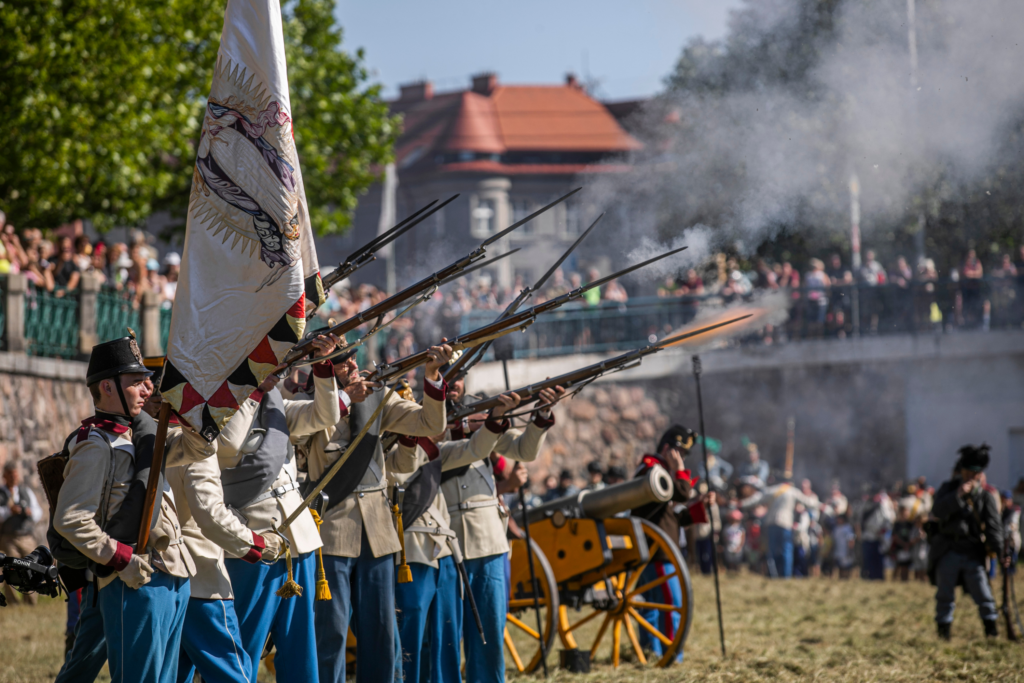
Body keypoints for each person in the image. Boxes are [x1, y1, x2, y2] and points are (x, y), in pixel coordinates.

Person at [306, 342, 452, 683]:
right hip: (332, 530)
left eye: (351, 358)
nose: (352, 365)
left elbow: (428, 422)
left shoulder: (378, 397)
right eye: (341, 362)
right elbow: (318, 424)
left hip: (377, 529)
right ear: (323, 369)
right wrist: (344, 397)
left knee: (382, 632)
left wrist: (431, 377)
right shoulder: (308, 403)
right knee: (332, 633)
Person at [52, 335, 195, 683]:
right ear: (108, 387)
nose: (147, 389)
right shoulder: (96, 444)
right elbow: (70, 519)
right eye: (136, 382)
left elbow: (200, 449)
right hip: (132, 577)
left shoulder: (142, 434)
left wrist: (190, 408)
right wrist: (121, 558)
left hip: (170, 572)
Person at [217, 332, 342, 683]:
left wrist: (321, 365)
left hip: (297, 539)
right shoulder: (226, 408)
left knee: (301, 651)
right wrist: (255, 390)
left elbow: (325, 414)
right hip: (254, 539)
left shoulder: (278, 408)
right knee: (246, 644)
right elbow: (229, 447)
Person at [388, 391, 522, 683]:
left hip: (445, 553)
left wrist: (496, 417)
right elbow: (404, 466)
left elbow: (476, 448)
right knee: (413, 640)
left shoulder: (437, 451)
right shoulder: (393, 451)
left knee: (446, 638)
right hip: (413, 552)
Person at [440, 376, 563, 683]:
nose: (453, 382)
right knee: (444, 639)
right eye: (446, 374)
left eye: (458, 375)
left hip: (488, 539)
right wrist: (490, 423)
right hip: (443, 541)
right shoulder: (424, 417)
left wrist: (541, 414)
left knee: (490, 636)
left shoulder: (480, 417)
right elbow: (464, 449)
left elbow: (524, 450)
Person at [630, 425, 709, 662]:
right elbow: (683, 494)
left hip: (659, 549)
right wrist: (680, 471)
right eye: (679, 453)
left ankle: (651, 651)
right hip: (657, 553)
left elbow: (670, 517)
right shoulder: (652, 471)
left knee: (654, 606)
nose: (682, 459)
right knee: (671, 605)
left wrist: (701, 504)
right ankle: (671, 654)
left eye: (684, 455)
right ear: (667, 449)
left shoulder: (658, 473)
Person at [929, 444, 1007, 640]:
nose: (972, 476)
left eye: (976, 473)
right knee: (945, 596)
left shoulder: (985, 496)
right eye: (969, 471)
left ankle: (991, 632)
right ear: (961, 470)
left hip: (972, 551)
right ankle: (943, 634)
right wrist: (958, 496)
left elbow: (993, 527)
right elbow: (937, 511)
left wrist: (1001, 552)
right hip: (948, 549)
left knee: (984, 595)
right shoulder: (948, 489)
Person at [739, 477, 820, 578]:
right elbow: (809, 502)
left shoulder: (772, 490)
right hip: (785, 524)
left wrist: (741, 504)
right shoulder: (792, 491)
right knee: (786, 550)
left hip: (771, 524)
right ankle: (785, 576)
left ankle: (774, 575)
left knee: (772, 551)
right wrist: (820, 504)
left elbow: (756, 499)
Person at [0, 461, 44, 605]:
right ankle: (13, 602)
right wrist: (8, 511)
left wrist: (29, 512)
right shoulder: (1, 494)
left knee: (31, 567)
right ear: (4, 476)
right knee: (10, 567)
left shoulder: (25, 491)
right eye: (10, 475)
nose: (13, 478)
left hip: (26, 537)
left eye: (15, 475)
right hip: (8, 537)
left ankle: (31, 601)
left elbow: (38, 512)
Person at [860, 485, 895, 580]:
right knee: (868, 559)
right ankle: (869, 577)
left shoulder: (883, 504)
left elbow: (888, 520)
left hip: (879, 537)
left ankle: (878, 577)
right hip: (867, 536)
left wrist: (883, 531)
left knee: (878, 560)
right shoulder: (865, 504)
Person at [832, 514, 856, 579]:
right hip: (838, 551)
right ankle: (841, 579)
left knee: (846, 567)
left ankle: (847, 579)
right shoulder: (836, 528)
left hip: (845, 551)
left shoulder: (847, 528)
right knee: (839, 567)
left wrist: (850, 550)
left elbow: (851, 539)